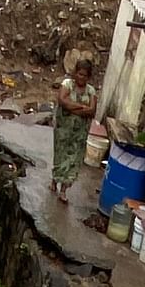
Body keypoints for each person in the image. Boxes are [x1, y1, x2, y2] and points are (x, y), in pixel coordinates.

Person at [52, 53, 97, 200]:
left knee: (74, 160)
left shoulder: (91, 91)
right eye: (79, 74)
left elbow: (92, 110)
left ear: (88, 77)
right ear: (75, 73)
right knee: (60, 155)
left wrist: (73, 108)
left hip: (79, 134)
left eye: (85, 75)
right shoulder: (67, 85)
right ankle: (54, 180)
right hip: (63, 129)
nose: (81, 77)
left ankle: (64, 189)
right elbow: (62, 101)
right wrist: (80, 107)